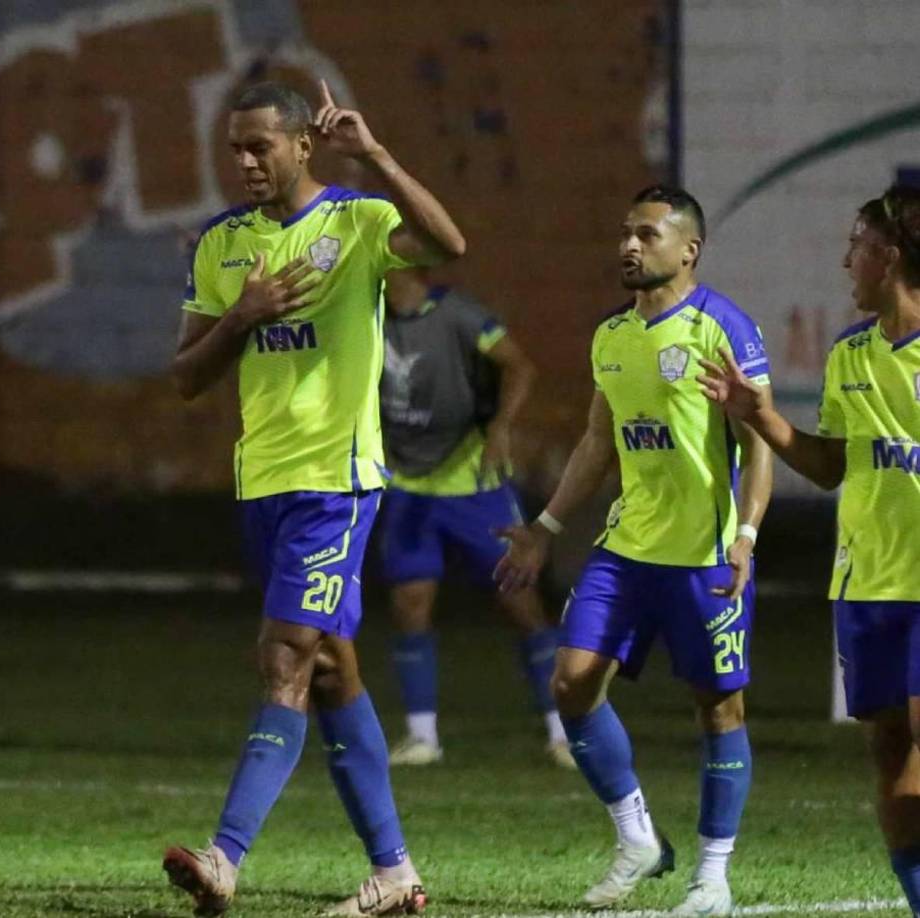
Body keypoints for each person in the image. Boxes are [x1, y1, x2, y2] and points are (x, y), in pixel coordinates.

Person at [162, 80, 464, 916]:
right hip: (264, 481)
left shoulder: (357, 221)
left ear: (303, 144)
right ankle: (395, 874)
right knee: (330, 670)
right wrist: (243, 316)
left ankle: (224, 858)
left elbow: (448, 243)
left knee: (285, 657)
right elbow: (186, 375)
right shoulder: (223, 244)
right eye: (236, 148)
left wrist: (375, 155)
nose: (246, 162)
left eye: (260, 145)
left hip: (337, 481)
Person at [496, 185, 773, 916]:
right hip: (626, 549)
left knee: (719, 709)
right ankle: (637, 837)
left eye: (647, 235)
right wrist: (545, 527)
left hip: (705, 555)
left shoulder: (724, 328)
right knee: (571, 684)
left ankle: (712, 876)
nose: (628, 245)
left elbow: (759, 445)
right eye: (625, 233)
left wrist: (745, 537)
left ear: (689, 249)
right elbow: (598, 441)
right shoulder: (612, 336)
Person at [697, 184, 920, 917]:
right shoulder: (850, 353)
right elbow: (830, 466)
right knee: (891, 753)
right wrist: (759, 415)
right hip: (868, 586)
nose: (845, 260)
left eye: (857, 245)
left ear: (890, 257)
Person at [377, 267, 573, 769]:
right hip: (408, 484)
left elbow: (519, 366)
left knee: (521, 603)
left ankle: (562, 730)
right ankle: (422, 736)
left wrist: (501, 427)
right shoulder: (367, 314)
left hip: (474, 486)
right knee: (409, 603)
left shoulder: (459, 314)